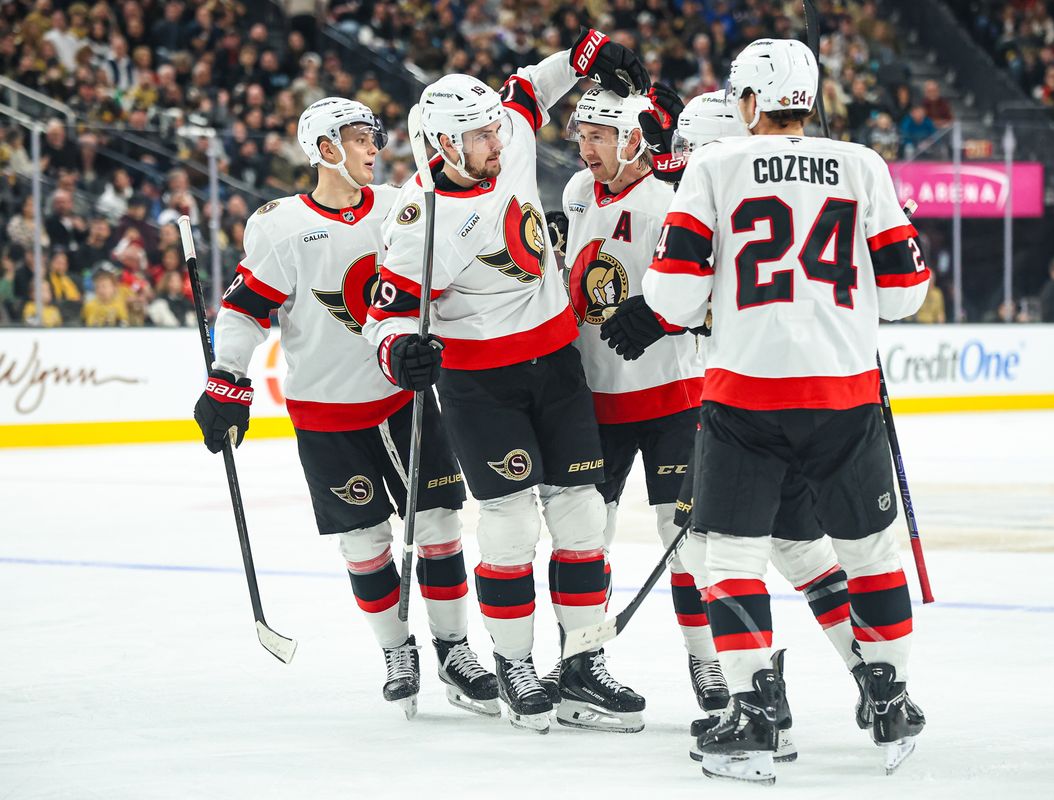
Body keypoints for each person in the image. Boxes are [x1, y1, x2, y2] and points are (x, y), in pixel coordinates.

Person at [644, 39, 930, 784]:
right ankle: (891, 699)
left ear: (745, 103)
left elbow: (672, 297)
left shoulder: (713, 166)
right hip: (843, 393)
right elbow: (904, 296)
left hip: (746, 396)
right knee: (869, 555)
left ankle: (751, 719)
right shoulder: (864, 165)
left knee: (732, 560)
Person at [364, 29, 651, 735]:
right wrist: (399, 351)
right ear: (442, 147)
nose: (498, 140)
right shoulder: (418, 221)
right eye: (481, 135)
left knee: (582, 514)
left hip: (556, 365)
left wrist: (585, 54)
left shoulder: (508, 137)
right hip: (479, 383)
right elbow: (384, 314)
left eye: (494, 128)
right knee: (512, 523)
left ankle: (584, 662)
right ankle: (515, 661)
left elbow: (532, 87)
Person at [193, 97, 498, 719]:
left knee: (439, 525)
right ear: (325, 149)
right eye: (360, 137)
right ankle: (396, 650)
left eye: (373, 137)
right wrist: (228, 377)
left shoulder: (395, 208)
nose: (373, 148)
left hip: (399, 399)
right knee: (364, 541)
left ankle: (455, 649)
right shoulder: (281, 228)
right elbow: (246, 308)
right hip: (327, 413)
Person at [554, 85, 726, 714]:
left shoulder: (673, 199)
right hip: (592, 399)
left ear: (632, 140)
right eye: (581, 135)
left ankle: (709, 665)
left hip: (673, 398)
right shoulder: (576, 194)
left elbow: (713, 291)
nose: (583, 148)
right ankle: (581, 663)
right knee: (583, 536)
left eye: (597, 135)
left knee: (683, 538)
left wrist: (668, 317)